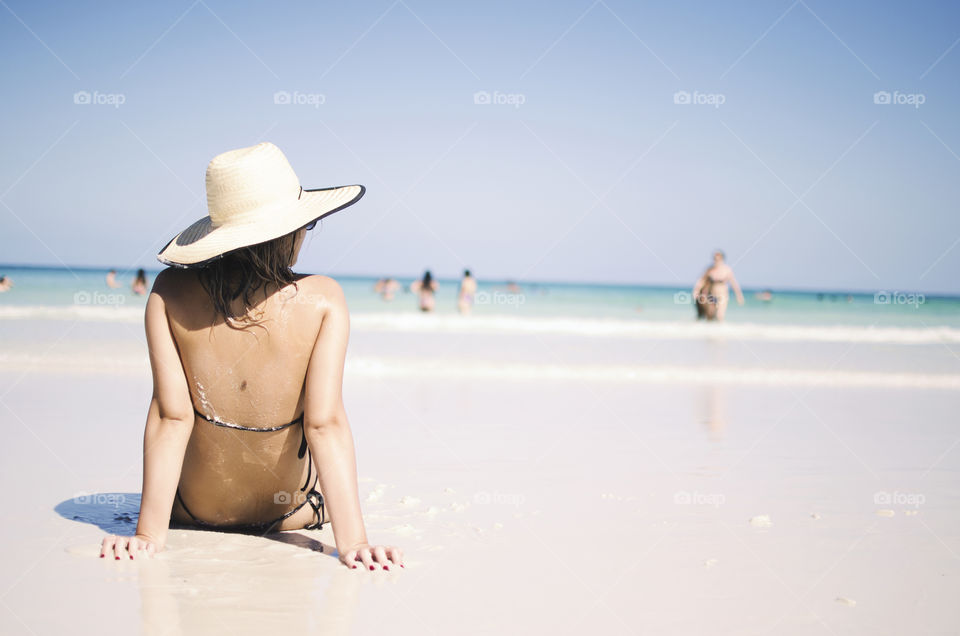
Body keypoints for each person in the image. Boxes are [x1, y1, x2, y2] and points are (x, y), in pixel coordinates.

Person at [98, 142, 403, 571]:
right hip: (287, 514)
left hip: (192, 511)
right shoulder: (323, 299)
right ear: (290, 231)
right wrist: (354, 542)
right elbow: (324, 423)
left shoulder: (168, 293)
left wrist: (148, 534)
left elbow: (171, 418)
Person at [692, 250, 744, 322]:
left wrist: (739, 295)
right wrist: (696, 291)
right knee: (709, 315)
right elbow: (701, 280)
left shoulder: (726, 270)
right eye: (714, 259)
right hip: (711, 295)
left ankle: (720, 327)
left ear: (722, 259)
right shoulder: (710, 269)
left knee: (720, 315)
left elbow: (733, 283)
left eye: (718, 259)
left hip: (722, 294)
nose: (716, 261)